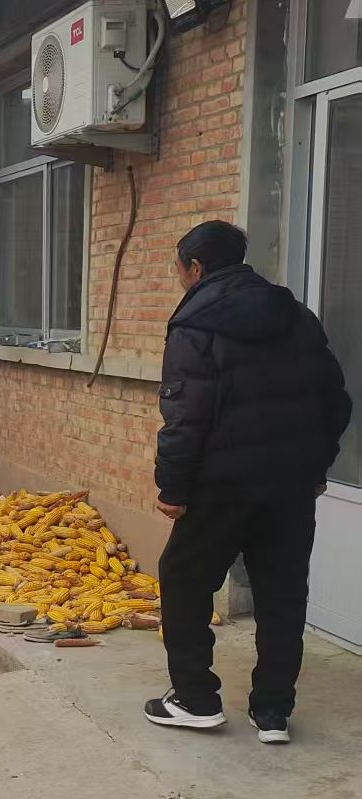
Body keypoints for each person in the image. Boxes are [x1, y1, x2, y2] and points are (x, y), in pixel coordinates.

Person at [146, 220, 351, 743]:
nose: (179, 278)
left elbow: (185, 415)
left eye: (179, 269)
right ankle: (274, 711)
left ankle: (195, 699)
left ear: (196, 267)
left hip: (220, 486)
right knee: (283, 593)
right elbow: (336, 402)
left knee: (184, 579)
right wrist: (316, 467)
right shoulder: (297, 316)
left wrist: (173, 488)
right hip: (290, 487)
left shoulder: (195, 323)